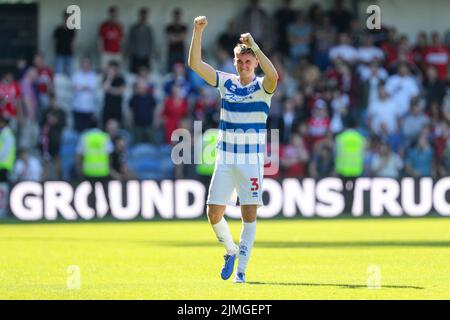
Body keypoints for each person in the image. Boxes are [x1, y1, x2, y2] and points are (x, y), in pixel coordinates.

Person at [188, 16, 278, 283]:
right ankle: (230, 251)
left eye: (249, 61)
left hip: (250, 161)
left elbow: (274, 75)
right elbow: (195, 64)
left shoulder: (263, 88)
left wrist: (256, 46)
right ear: (235, 62)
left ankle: (242, 271)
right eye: (240, 61)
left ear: (256, 64)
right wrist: (198, 30)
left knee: (248, 215)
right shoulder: (225, 82)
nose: (244, 65)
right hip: (226, 159)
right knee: (213, 213)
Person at [127, 7, 156, 74]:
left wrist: (151, 53)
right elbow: (130, 41)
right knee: (134, 73)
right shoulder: (134, 28)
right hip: (135, 54)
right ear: (139, 15)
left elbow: (151, 42)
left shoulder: (149, 29)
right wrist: (130, 51)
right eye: (142, 15)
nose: (144, 17)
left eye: (145, 15)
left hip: (146, 55)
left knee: (145, 73)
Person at [98, 6, 123, 71]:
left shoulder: (119, 26)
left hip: (116, 52)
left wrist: (120, 50)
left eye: (115, 14)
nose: (113, 16)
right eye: (112, 14)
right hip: (106, 52)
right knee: (105, 70)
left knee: (117, 71)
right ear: (109, 14)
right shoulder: (104, 25)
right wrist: (101, 50)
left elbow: (121, 39)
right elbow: (100, 39)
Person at [53, 11, 76, 77]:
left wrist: (73, 52)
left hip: (69, 53)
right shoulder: (58, 29)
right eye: (66, 17)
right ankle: (59, 87)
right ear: (64, 18)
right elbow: (55, 41)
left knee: (70, 73)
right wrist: (56, 51)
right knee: (58, 73)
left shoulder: (72, 29)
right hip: (59, 53)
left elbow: (73, 42)